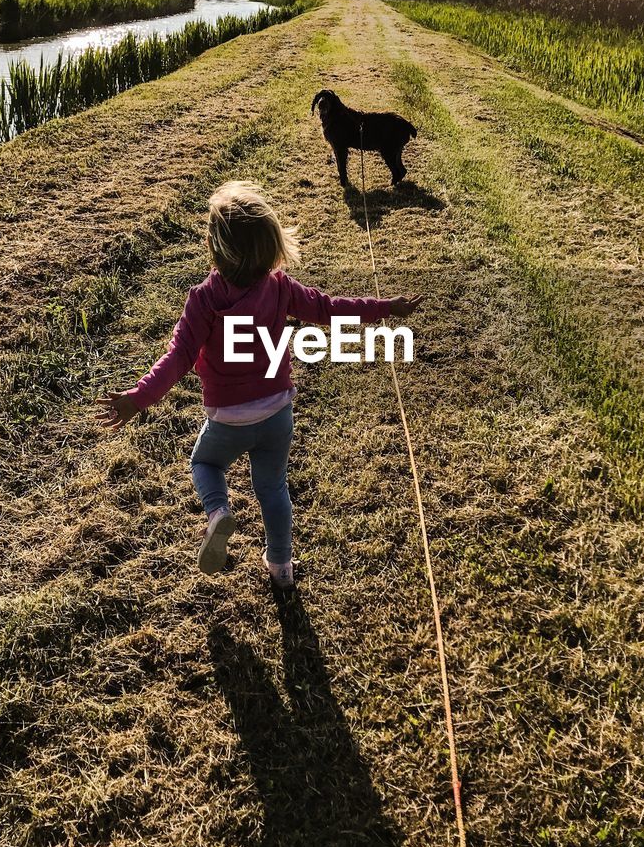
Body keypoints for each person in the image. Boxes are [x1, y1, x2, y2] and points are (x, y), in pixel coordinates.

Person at [96, 180, 421, 589]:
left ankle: (218, 513)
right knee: (273, 487)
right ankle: (281, 568)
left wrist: (137, 398)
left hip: (228, 418)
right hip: (276, 411)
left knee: (205, 463)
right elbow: (328, 309)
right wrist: (383, 308)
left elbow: (178, 357)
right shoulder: (280, 287)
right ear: (270, 245)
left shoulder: (204, 299)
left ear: (216, 246)